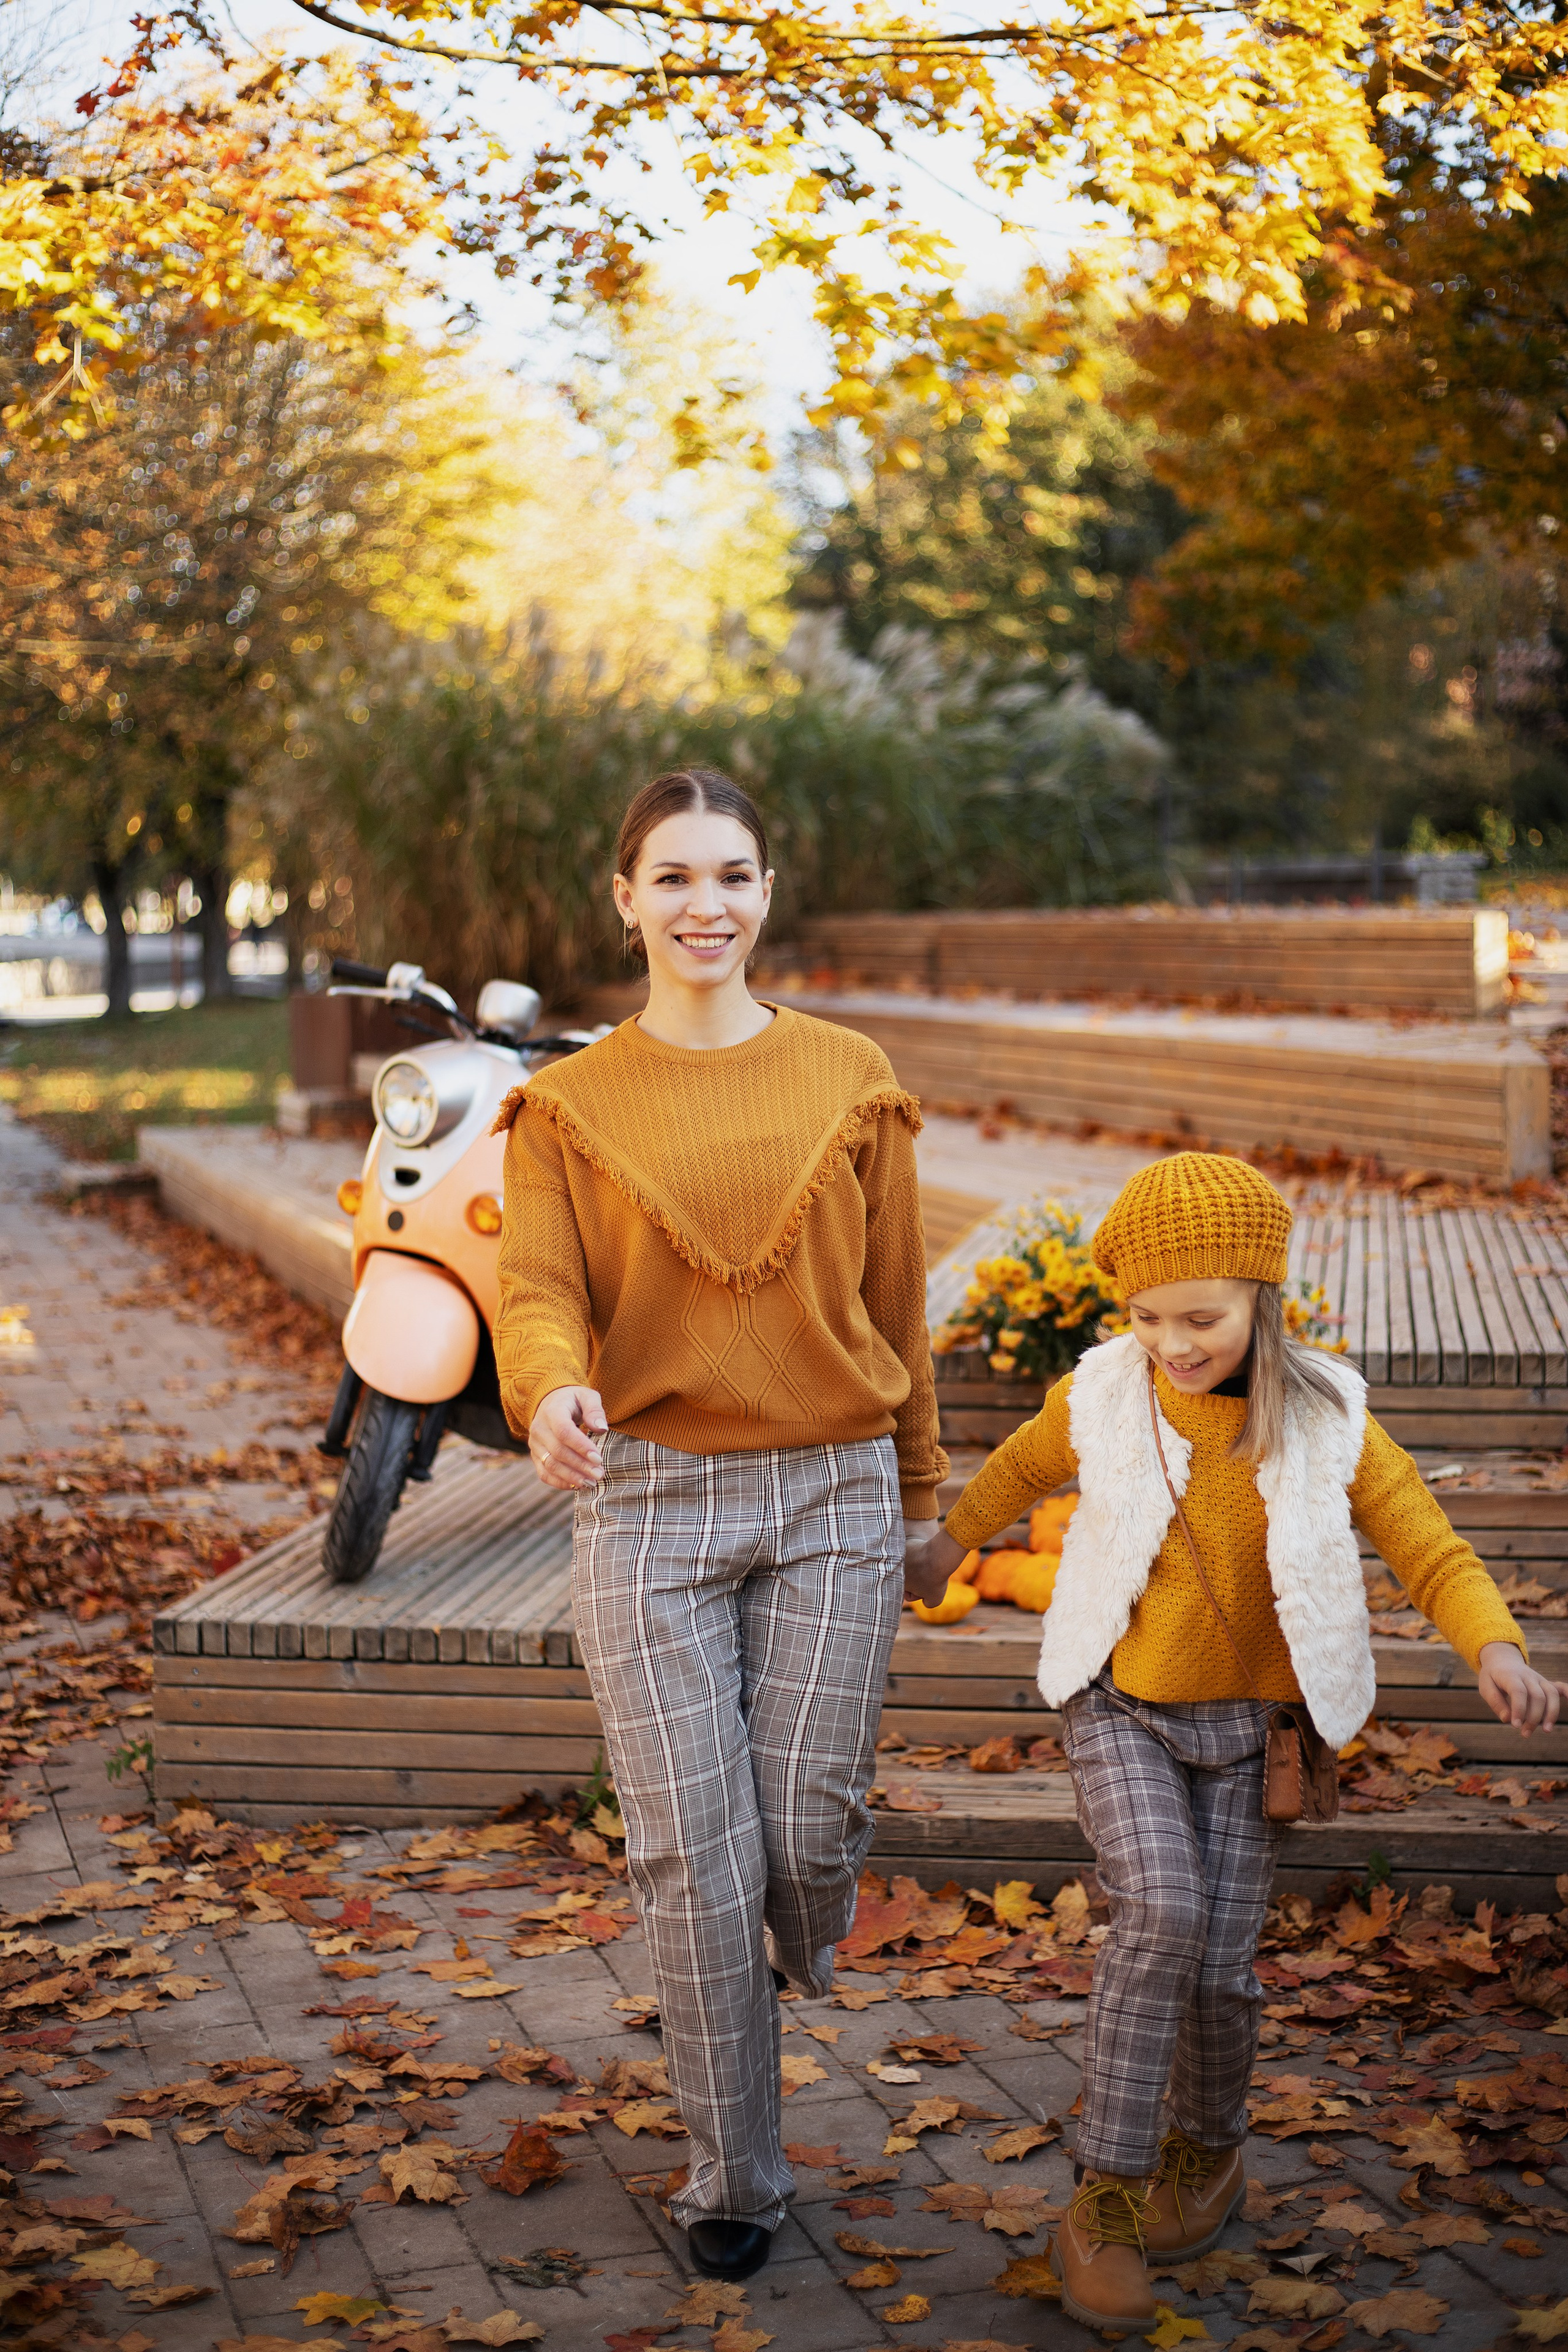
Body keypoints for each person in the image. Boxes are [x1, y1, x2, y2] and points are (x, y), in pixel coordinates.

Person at [916, 1151, 1566, 2334]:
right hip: (1122, 1705)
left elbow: (1425, 1539)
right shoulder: (1106, 1394)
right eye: (1149, 1315)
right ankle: (1103, 2196)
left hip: (1253, 1730)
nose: (1172, 1340)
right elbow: (1017, 1463)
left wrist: (1496, 1648)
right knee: (1159, 1909)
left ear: (1263, 1298)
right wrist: (944, 1541)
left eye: (1201, 1317)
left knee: (1219, 1968)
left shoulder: (1326, 1417)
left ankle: (1207, 2162)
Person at [491, 767, 949, 2282]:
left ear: (766, 892)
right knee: (694, 1851)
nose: (706, 905)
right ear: (622, 897)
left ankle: (768, 1955)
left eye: (733, 875)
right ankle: (733, 2170)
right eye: (674, 877)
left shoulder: (851, 1075)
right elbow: (541, 1287)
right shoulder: (564, 1104)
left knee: (800, 1830)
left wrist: (923, 1482)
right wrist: (548, 1386)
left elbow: (896, 1302)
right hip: (646, 1504)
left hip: (833, 1490)